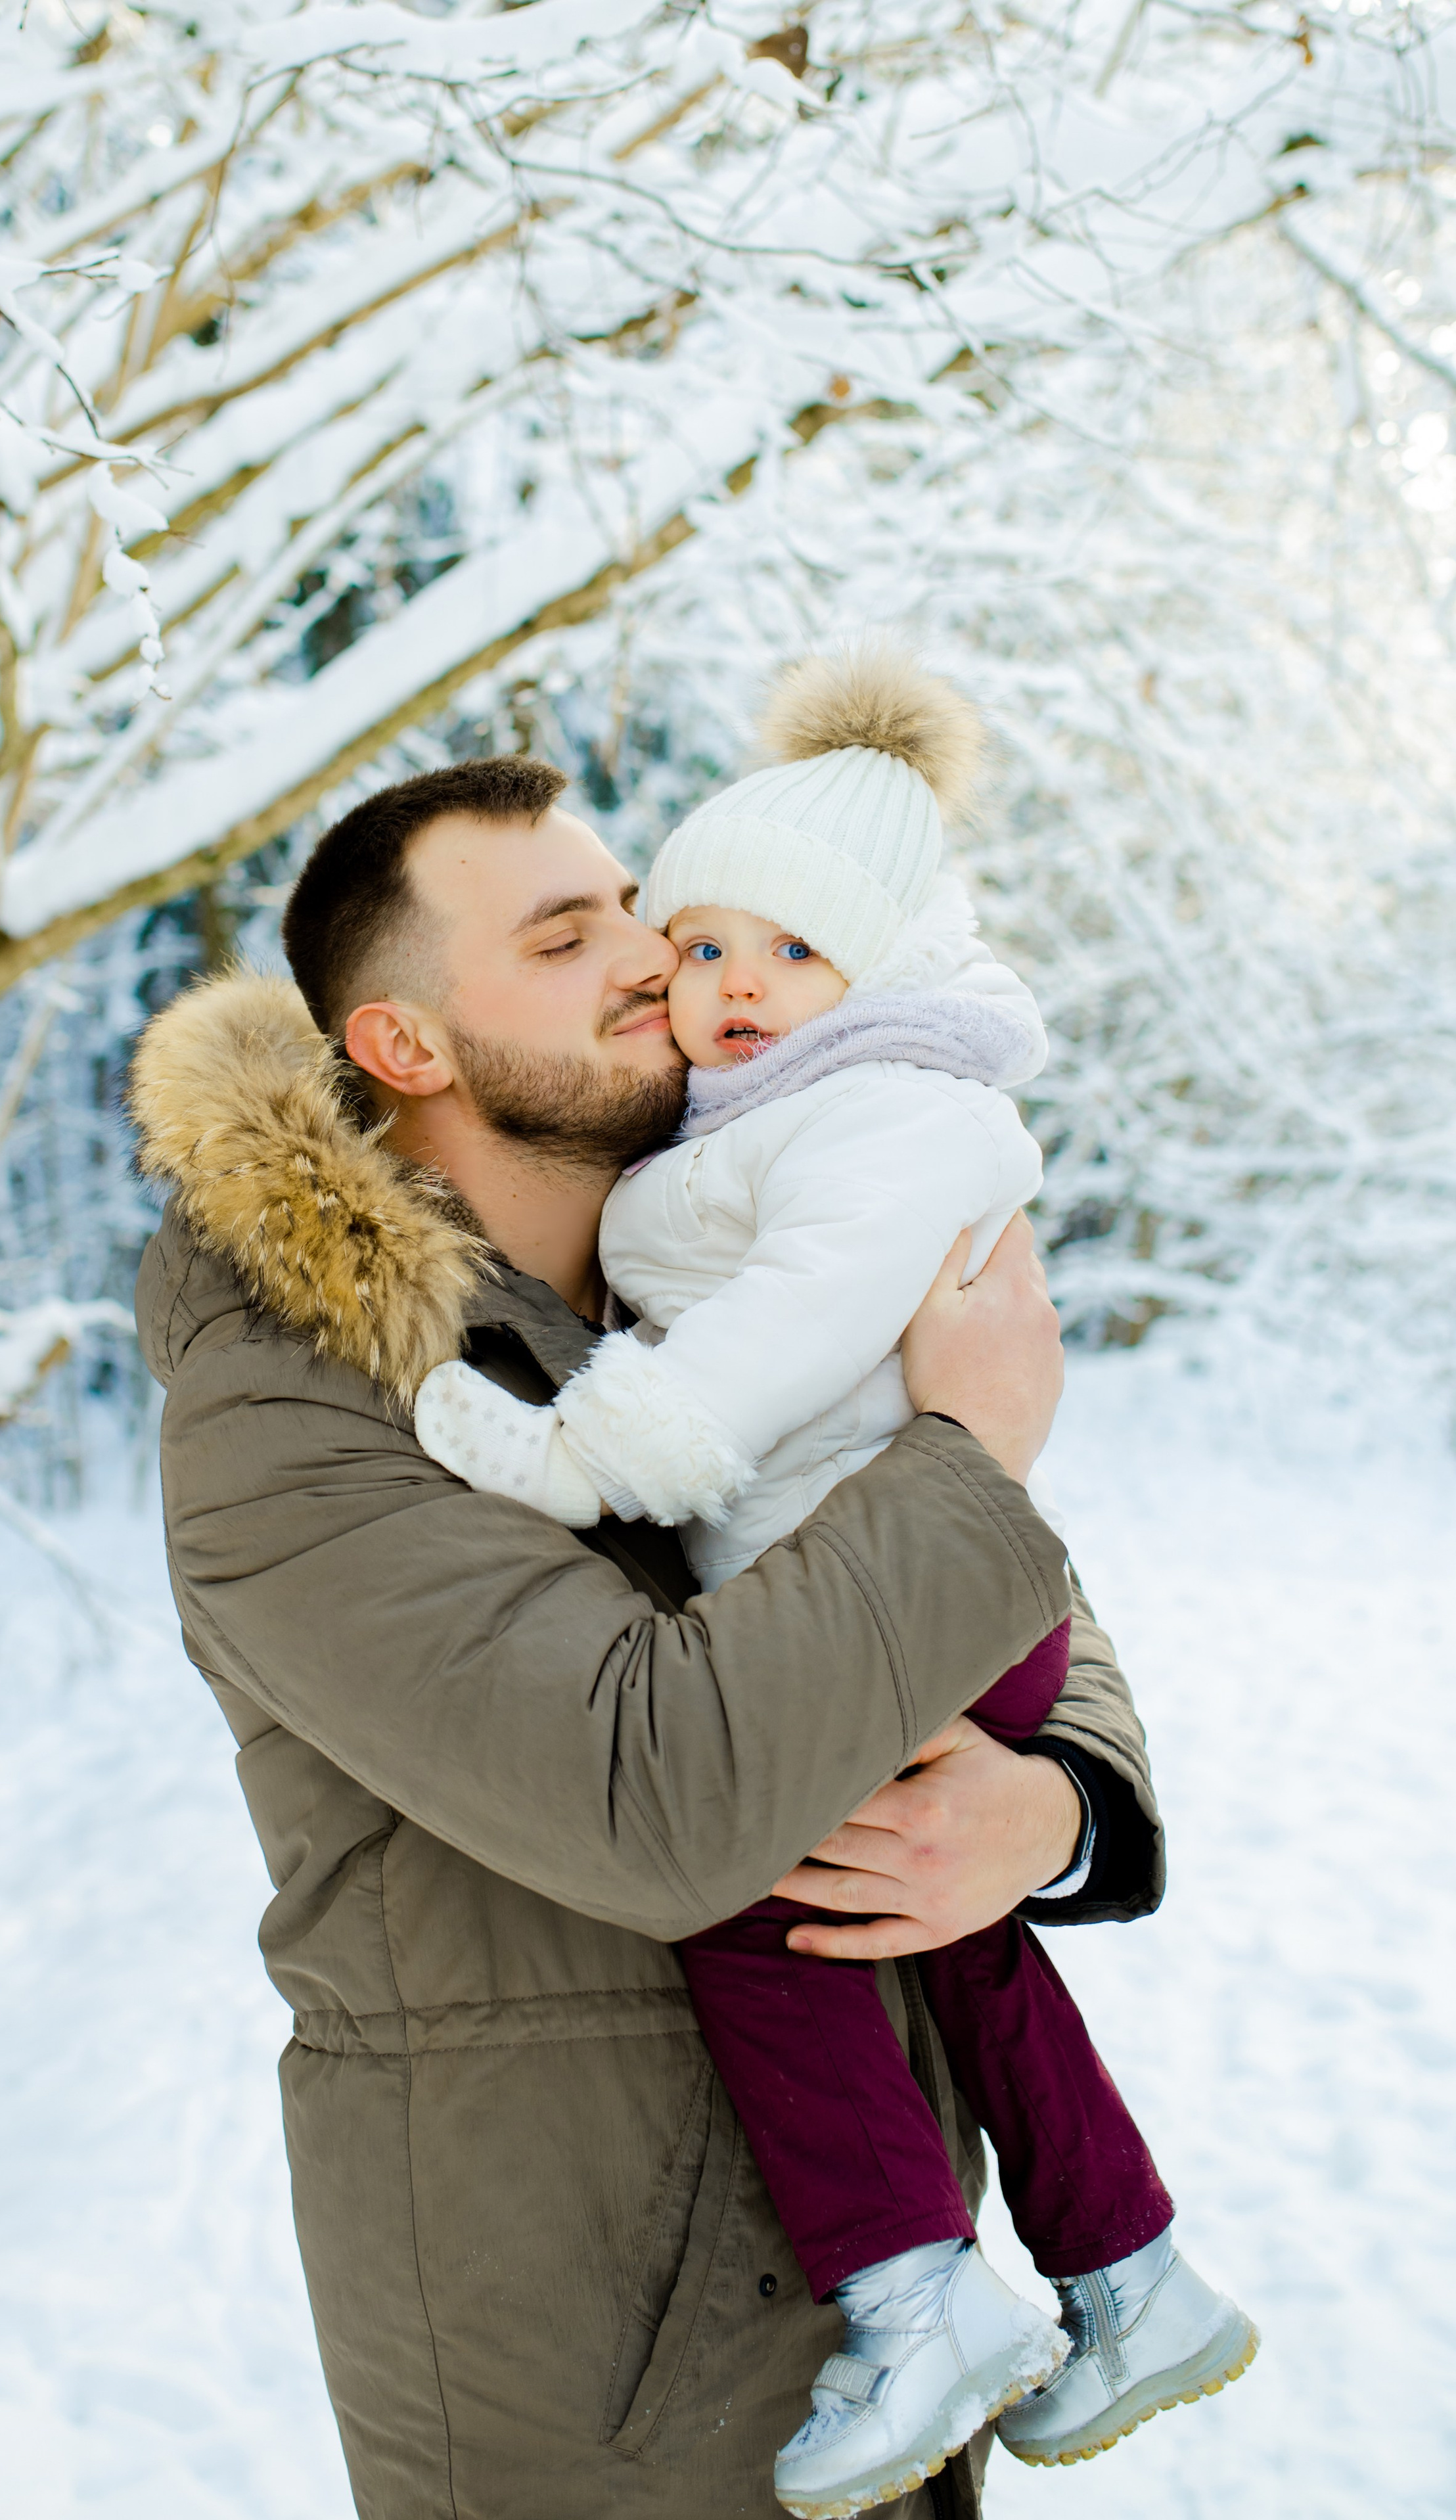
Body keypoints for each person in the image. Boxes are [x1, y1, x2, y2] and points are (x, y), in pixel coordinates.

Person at [129, 748, 1164, 2520]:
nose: (648, 950)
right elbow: (650, 1793)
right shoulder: (297, 1401)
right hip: (593, 2376)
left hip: (885, 2278)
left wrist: (1057, 1795)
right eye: (563, 933)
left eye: (631, 903)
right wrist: (969, 1445)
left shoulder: (711, 1257)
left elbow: (1003, 1594)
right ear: (407, 1046)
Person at [412, 647, 1256, 2515]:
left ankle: (912, 2293)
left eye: (786, 956)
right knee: (932, 1924)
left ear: (874, 973)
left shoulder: (881, 1117)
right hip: (881, 1585)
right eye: (701, 943)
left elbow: (788, 1337)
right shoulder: (783, 1109)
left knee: (762, 1896)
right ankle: (1128, 2278)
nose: (717, 988)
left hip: (893, 1592)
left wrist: (571, 1445)